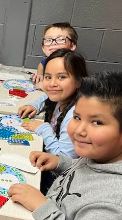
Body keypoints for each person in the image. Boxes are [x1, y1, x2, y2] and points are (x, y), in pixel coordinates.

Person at [9, 71, 122, 219]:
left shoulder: (112, 203)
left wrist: (41, 207)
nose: (79, 130)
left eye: (97, 122)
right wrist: (60, 162)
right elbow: (87, 168)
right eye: (77, 117)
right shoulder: (100, 156)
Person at [18, 49, 88, 193]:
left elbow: (62, 160)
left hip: (59, 182)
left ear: (79, 81)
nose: (52, 84)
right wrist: (34, 105)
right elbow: (46, 98)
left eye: (61, 77)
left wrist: (44, 129)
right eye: (48, 77)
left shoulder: (74, 116)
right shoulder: (62, 98)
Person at [31, 22, 78, 89]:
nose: (53, 43)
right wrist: (40, 75)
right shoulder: (48, 62)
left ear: (72, 46)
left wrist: (47, 87)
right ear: (43, 48)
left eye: (61, 39)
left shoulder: (74, 65)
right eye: (48, 40)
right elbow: (42, 64)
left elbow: (72, 89)